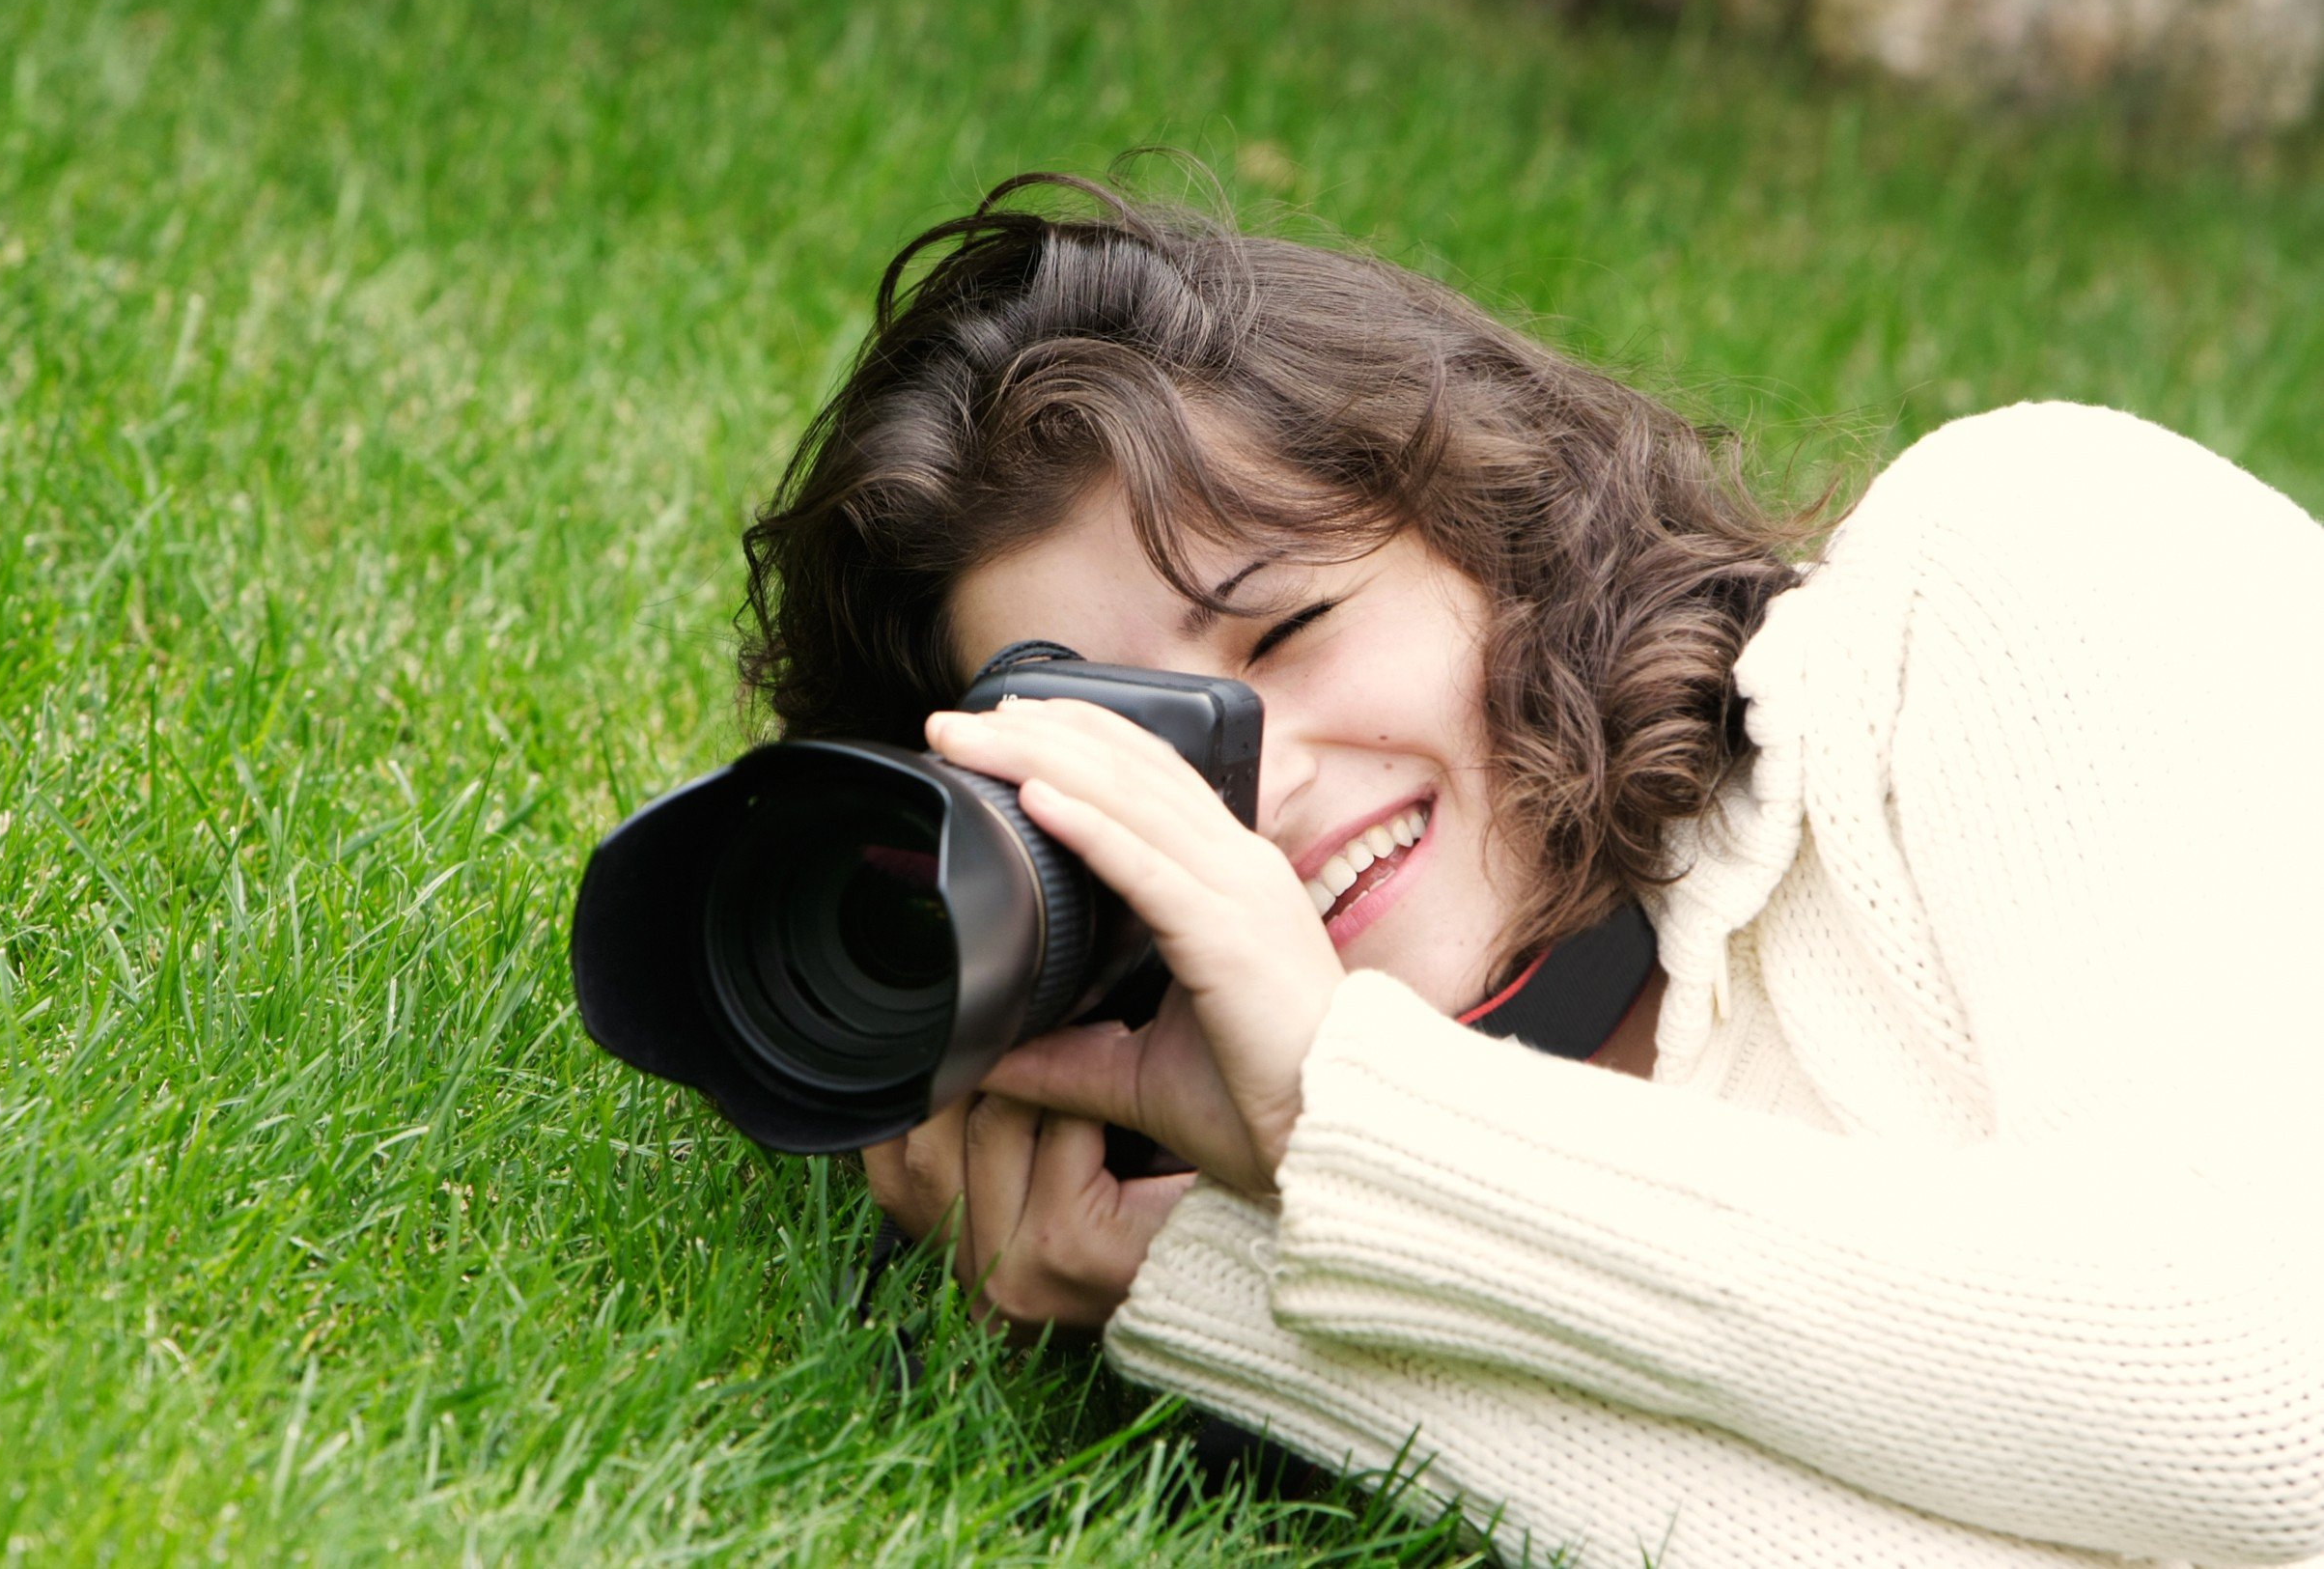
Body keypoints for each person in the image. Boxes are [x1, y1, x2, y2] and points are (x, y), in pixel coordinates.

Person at [733, 171, 2324, 1566]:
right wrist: (1210, 1267)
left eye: (1289, 629)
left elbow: (2275, 1404)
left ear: (1502, 527)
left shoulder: (2025, 565)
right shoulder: (1285, 1229)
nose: (1259, 789)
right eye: (1124, 760)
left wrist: (1338, 1131)